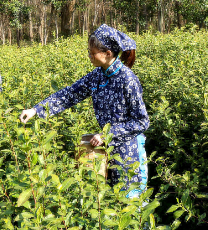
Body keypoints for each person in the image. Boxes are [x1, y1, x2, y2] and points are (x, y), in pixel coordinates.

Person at [19, 24, 149, 199]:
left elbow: (141, 121)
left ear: (108, 53)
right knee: (109, 203)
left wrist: (107, 134)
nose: (89, 56)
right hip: (106, 150)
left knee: (130, 205)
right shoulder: (97, 75)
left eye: (92, 52)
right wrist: (36, 110)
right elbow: (69, 94)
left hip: (129, 153)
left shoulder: (127, 79)